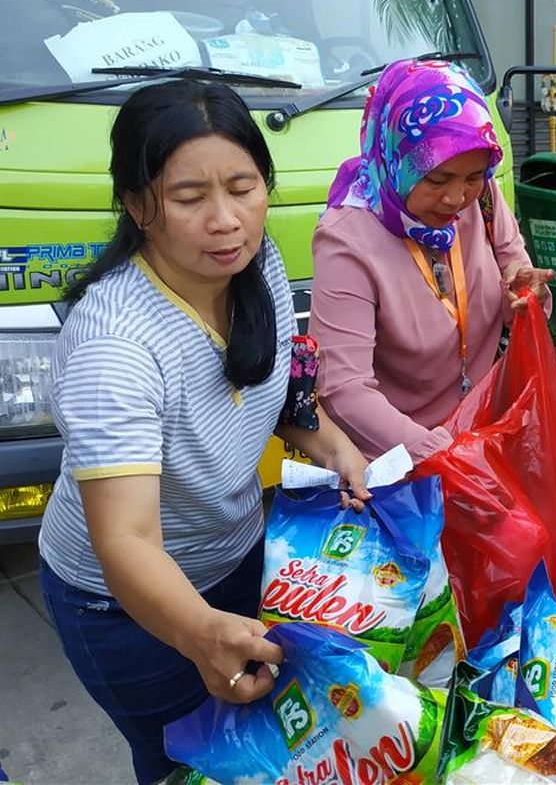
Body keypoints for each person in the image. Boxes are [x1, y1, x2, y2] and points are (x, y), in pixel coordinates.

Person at [38, 80, 371, 784]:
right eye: (190, 199)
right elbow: (125, 538)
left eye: (244, 188)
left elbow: (271, 384)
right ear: (138, 205)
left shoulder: (259, 265)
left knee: (264, 743)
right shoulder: (115, 344)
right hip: (122, 606)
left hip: (237, 554)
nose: (226, 221)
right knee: (184, 763)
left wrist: (332, 444)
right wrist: (198, 633)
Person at [309, 60, 553, 463]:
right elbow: (344, 388)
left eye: (473, 177)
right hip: (399, 461)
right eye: (436, 180)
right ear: (396, 158)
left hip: (483, 438)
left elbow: (520, 295)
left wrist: (528, 297)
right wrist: (443, 453)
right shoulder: (348, 238)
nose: (457, 199)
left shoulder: (485, 199)